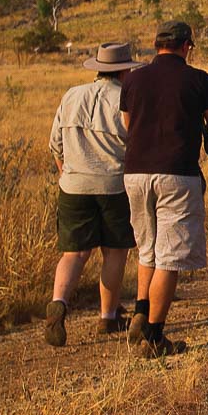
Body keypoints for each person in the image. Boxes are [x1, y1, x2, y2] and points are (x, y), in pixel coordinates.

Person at [120, 22, 208, 358]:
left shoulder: (134, 78)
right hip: (177, 173)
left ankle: (140, 309)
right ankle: (154, 336)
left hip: (135, 173)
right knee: (169, 257)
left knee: (147, 247)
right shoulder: (198, 79)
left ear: (155, 45)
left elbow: (127, 123)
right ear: (187, 46)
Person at [44, 42, 146, 347]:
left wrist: (67, 172)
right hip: (114, 184)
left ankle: (58, 303)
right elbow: (137, 144)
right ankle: (107, 317)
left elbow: (55, 145)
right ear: (125, 70)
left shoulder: (72, 95)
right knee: (115, 252)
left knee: (74, 253)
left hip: (73, 184)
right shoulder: (127, 98)